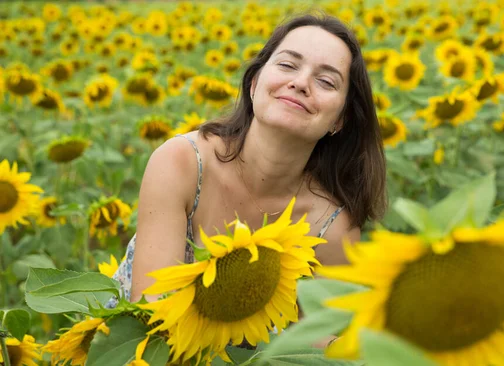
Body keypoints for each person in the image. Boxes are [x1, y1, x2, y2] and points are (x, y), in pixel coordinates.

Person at [108, 13, 387, 307]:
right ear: (254, 84)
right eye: (288, 65)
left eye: (326, 81)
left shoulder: (331, 228)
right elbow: (152, 306)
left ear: (340, 120)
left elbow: (319, 342)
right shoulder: (182, 163)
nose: (301, 82)